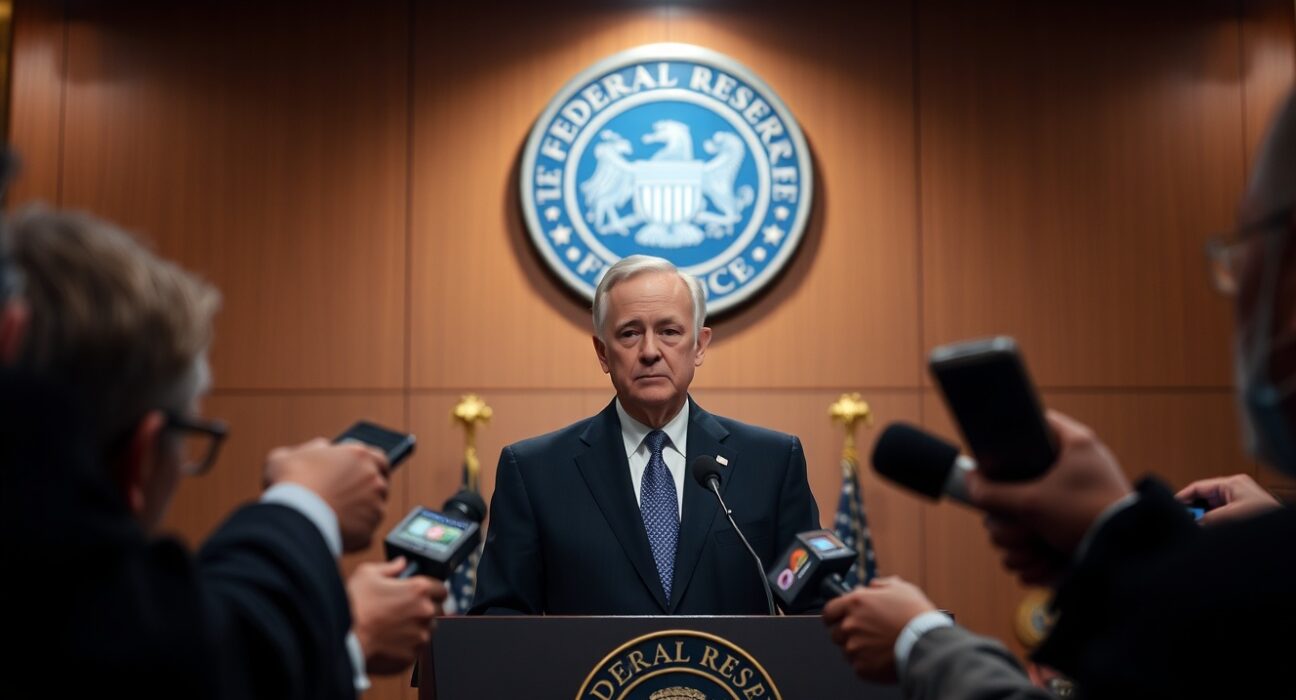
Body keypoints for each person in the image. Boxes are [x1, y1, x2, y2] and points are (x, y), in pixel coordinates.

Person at [823, 91, 1296, 699]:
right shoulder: (1251, 571)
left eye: (1243, 246)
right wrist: (1114, 534)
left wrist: (920, 641)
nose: (1234, 289)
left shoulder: (1249, 584)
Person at [0, 206, 442, 698]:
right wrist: (307, 503)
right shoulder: (80, 611)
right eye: (189, 434)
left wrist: (349, 643)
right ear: (142, 458)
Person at [471, 255, 820, 615]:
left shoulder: (771, 463)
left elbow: (814, 609)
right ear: (603, 353)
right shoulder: (535, 472)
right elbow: (500, 619)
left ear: (699, 346)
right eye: (630, 333)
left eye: (669, 331)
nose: (650, 351)